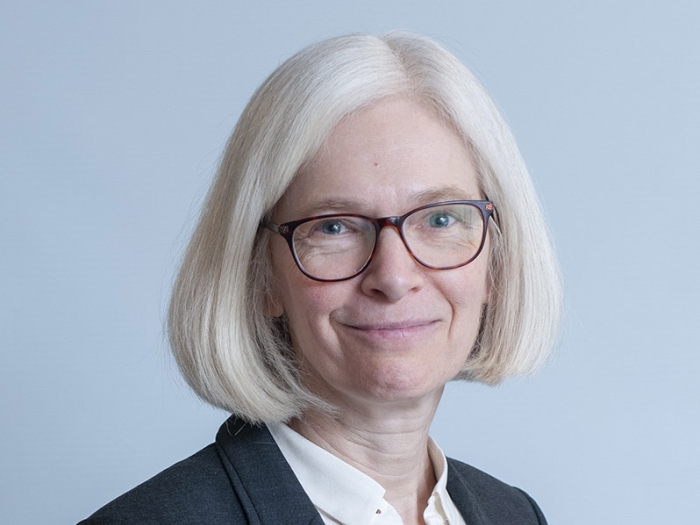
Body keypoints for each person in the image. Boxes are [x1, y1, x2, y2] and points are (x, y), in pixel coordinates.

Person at [80, 31, 562, 525]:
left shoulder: (515, 515)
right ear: (261, 276)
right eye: (333, 227)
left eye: (440, 219)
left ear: (496, 264)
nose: (393, 277)